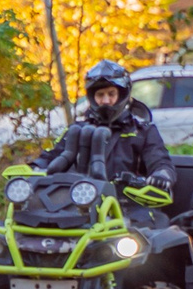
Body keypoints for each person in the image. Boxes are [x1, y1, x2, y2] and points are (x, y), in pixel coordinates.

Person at [34, 59, 176, 204]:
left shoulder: (143, 131)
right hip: (79, 204)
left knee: (147, 225)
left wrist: (161, 175)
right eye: (100, 95)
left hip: (129, 205)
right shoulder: (77, 130)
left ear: (121, 95)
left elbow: (160, 161)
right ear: (92, 98)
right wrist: (34, 167)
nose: (106, 100)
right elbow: (52, 156)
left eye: (111, 94)